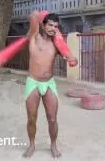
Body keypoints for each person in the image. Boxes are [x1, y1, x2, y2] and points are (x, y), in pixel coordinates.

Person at [22, 12, 77, 158]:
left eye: (56, 26)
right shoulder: (34, 37)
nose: (53, 28)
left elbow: (70, 56)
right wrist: (42, 15)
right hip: (33, 82)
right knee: (31, 118)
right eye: (50, 25)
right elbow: (33, 16)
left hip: (49, 83)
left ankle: (53, 145)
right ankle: (32, 145)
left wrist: (72, 59)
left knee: (52, 119)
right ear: (43, 24)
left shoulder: (57, 44)